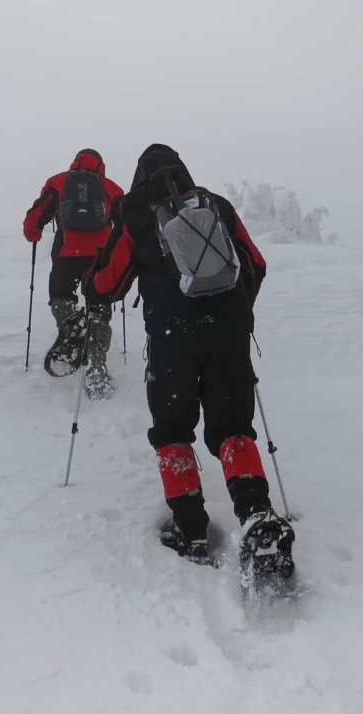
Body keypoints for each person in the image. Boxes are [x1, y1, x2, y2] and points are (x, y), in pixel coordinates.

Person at [86, 144, 295, 578]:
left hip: (171, 341)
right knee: (233, 428)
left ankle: (191, 530)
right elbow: (254, 263)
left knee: (173, 430)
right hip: (229, 333)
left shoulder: (136, 215)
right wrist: (235, 314)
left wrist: (90, 286)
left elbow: (108, 285)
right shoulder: (214, 204)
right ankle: (257, 514)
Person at [23, 149, 126, 398]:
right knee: (99, 310)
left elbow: (33, 222)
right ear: (101, 165)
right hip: (100, 256)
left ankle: (72, 323)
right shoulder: (111, 187)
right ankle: (97, 371)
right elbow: (127, 224)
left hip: (66, 252)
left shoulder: (58, 182)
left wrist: (33, 233)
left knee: (60, 295)